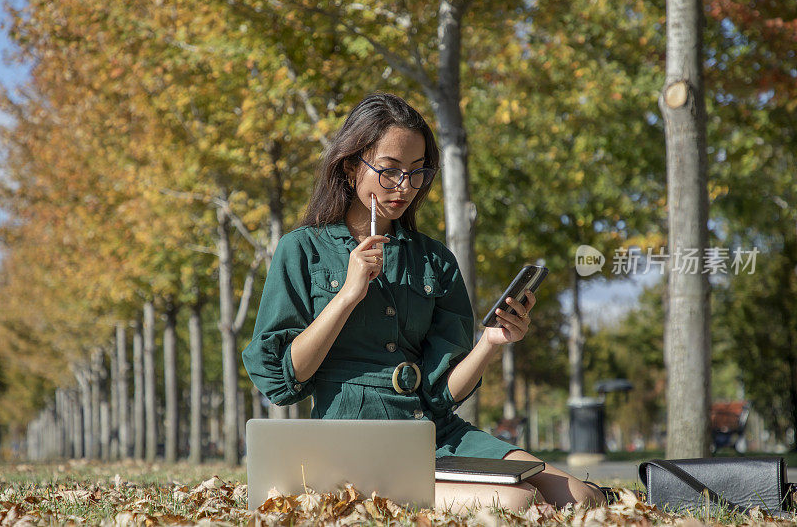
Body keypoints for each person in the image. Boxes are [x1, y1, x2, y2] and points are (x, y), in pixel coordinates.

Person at [241, 92, 606, 513]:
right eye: (390, 170)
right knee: (519, 500)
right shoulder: (301, 249)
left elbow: (440, 394)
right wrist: (347, 295)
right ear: (349, 167)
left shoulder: (434, 259)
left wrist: (489, 343)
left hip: (433, 431)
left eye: (417, 173)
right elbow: (282, 382)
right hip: (357, 439)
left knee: (584, 497)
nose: (404, 187)